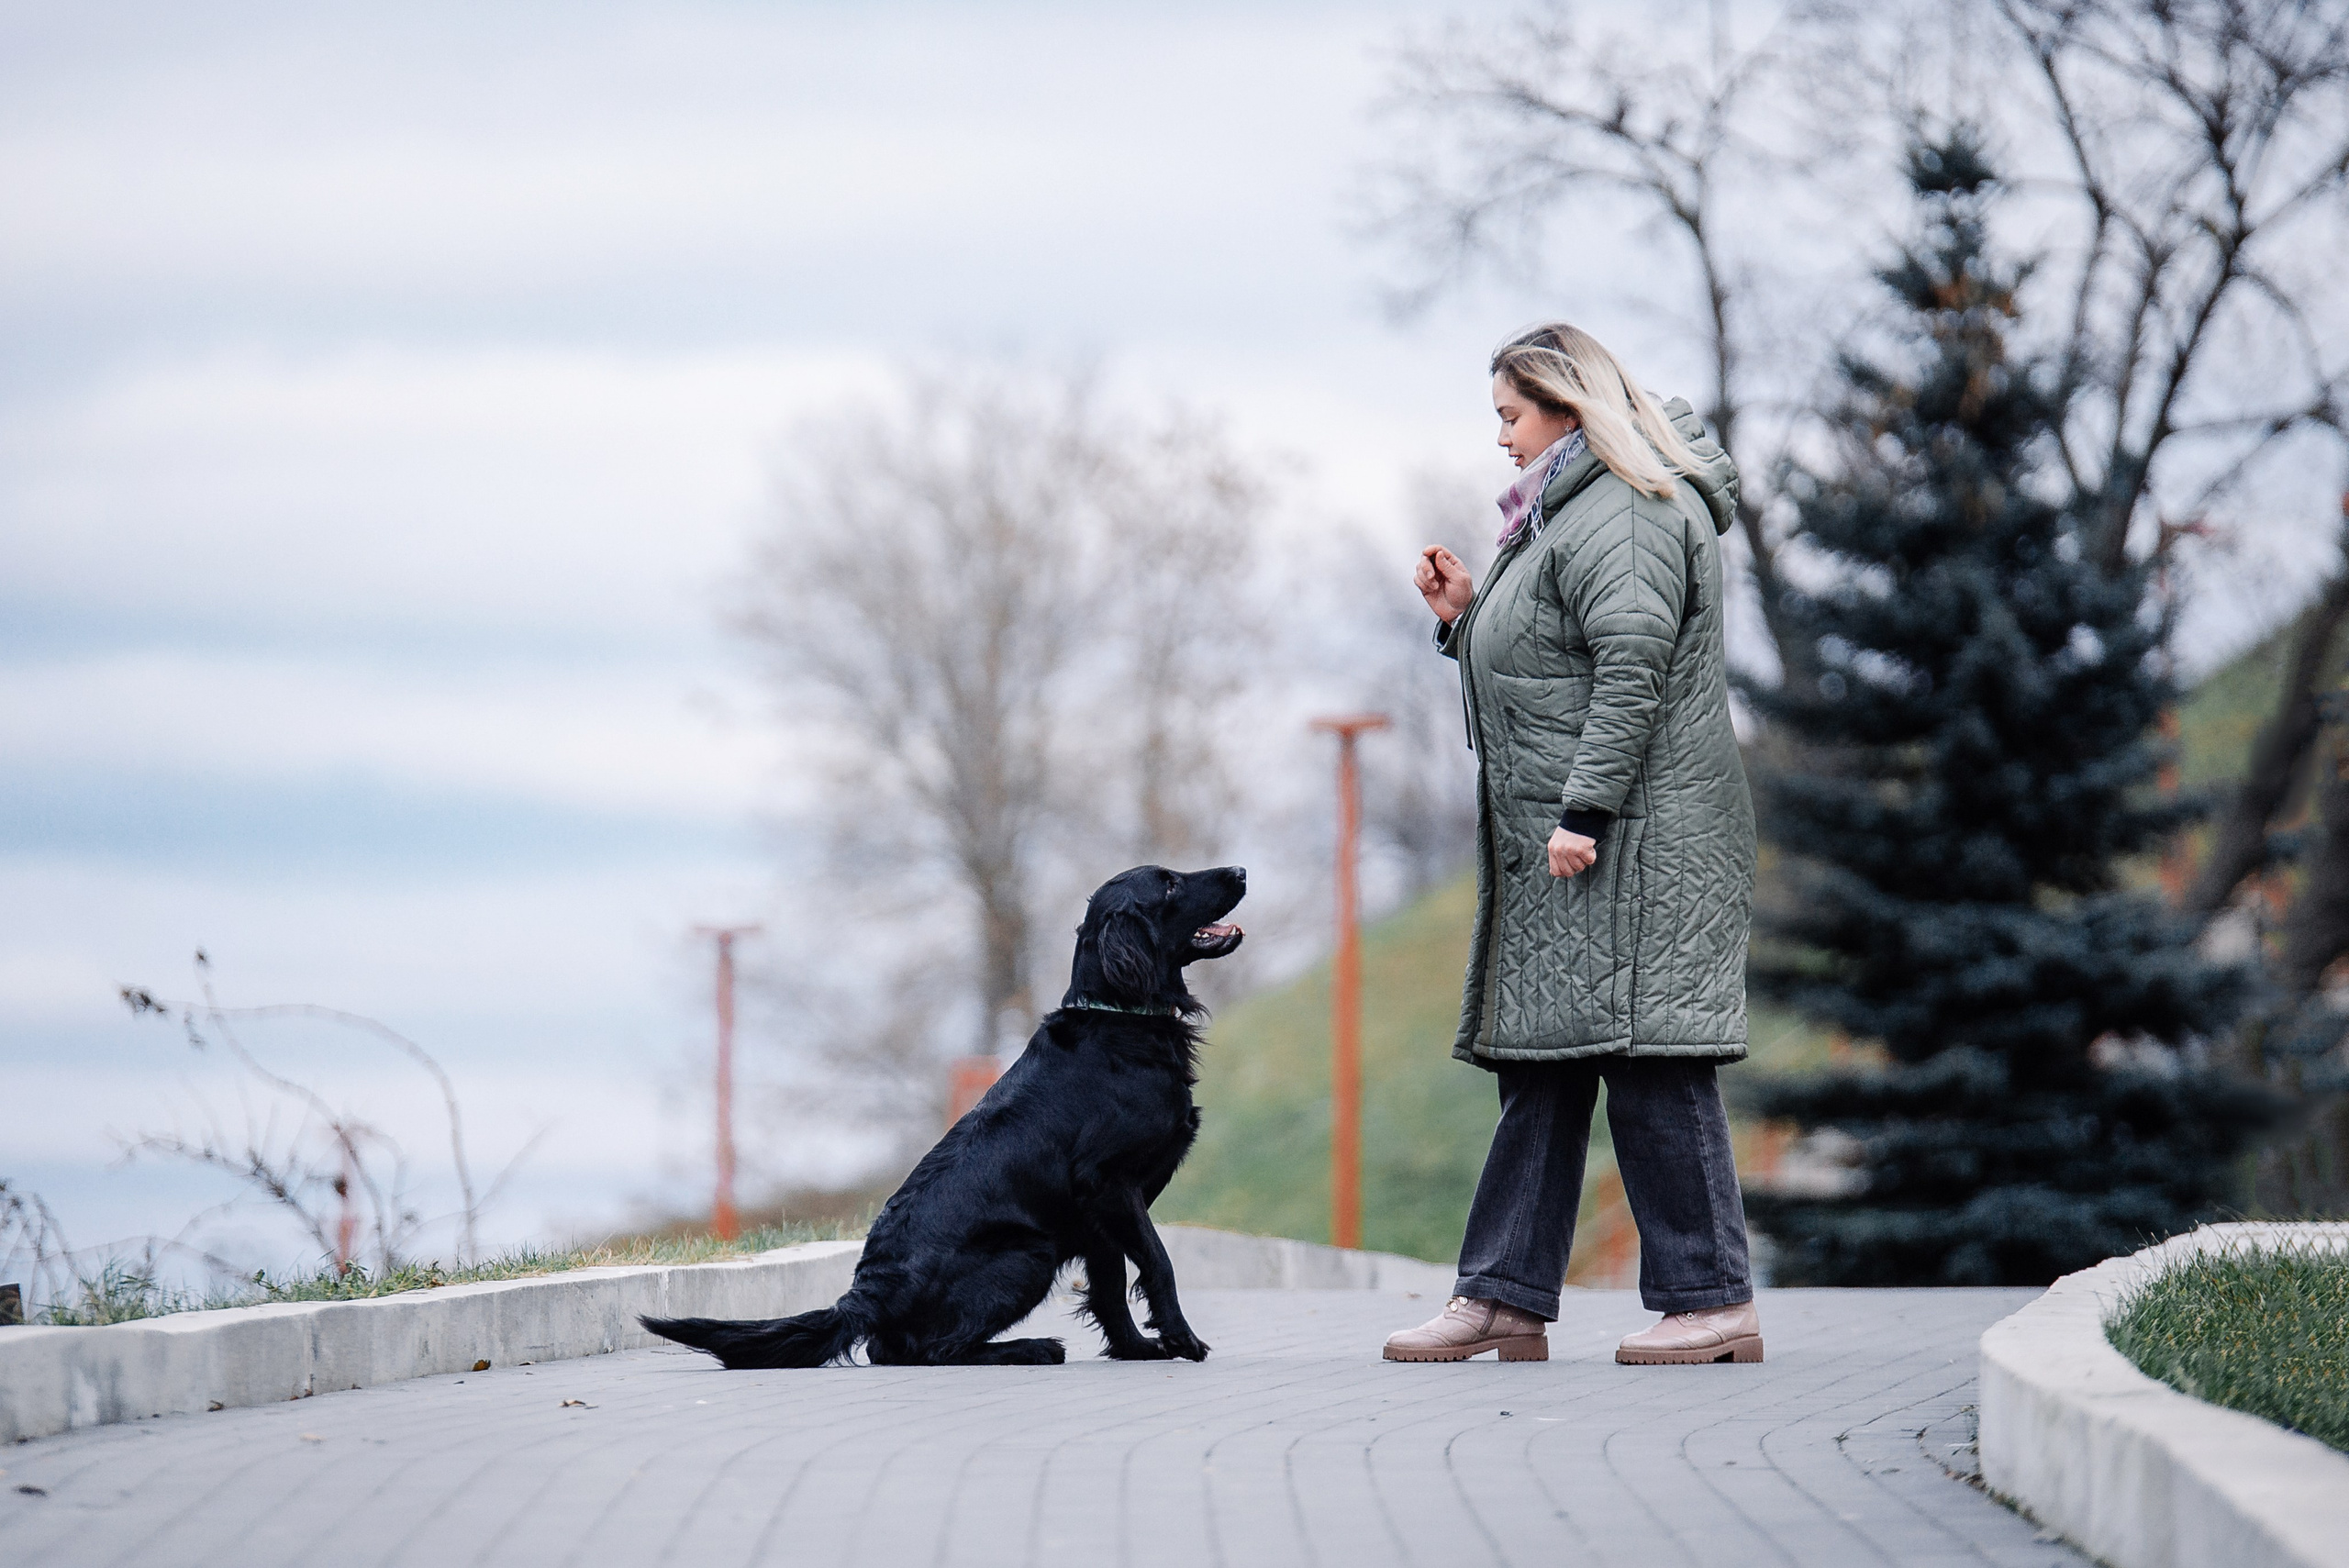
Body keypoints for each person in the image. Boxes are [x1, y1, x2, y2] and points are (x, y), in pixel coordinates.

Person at [1384, 322, 1762, 1367]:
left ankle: (1711, 1299)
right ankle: (1504, 1295)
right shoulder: (1568, 510)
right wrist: (1465, 619)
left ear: (1565, 406)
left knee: (1653, 1059)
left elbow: (1631, 670)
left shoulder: (1630, 512)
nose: (1499, 437)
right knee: (1543, 1066)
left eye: (1509, 414)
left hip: (1635, 842)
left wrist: (1582, 814)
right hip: (1583, 842)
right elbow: (1553, 663)